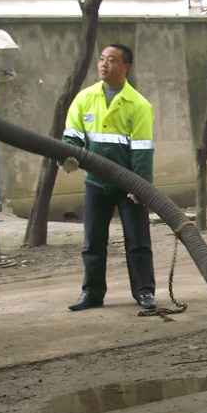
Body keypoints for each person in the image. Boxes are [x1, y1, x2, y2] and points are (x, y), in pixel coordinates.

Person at [61, 43, 157, 312]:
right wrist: (67, 153)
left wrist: (141, 187)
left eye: (112, 60)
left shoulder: (138, 104)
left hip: (129, 186)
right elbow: (73, 135)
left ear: (125, 67)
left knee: (137, 242)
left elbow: (141, 149)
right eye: (102, 59)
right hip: (96, 184)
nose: (104, 64)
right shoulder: (84, 98)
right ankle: (92, 293)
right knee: (93, 242)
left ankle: (144, 291)